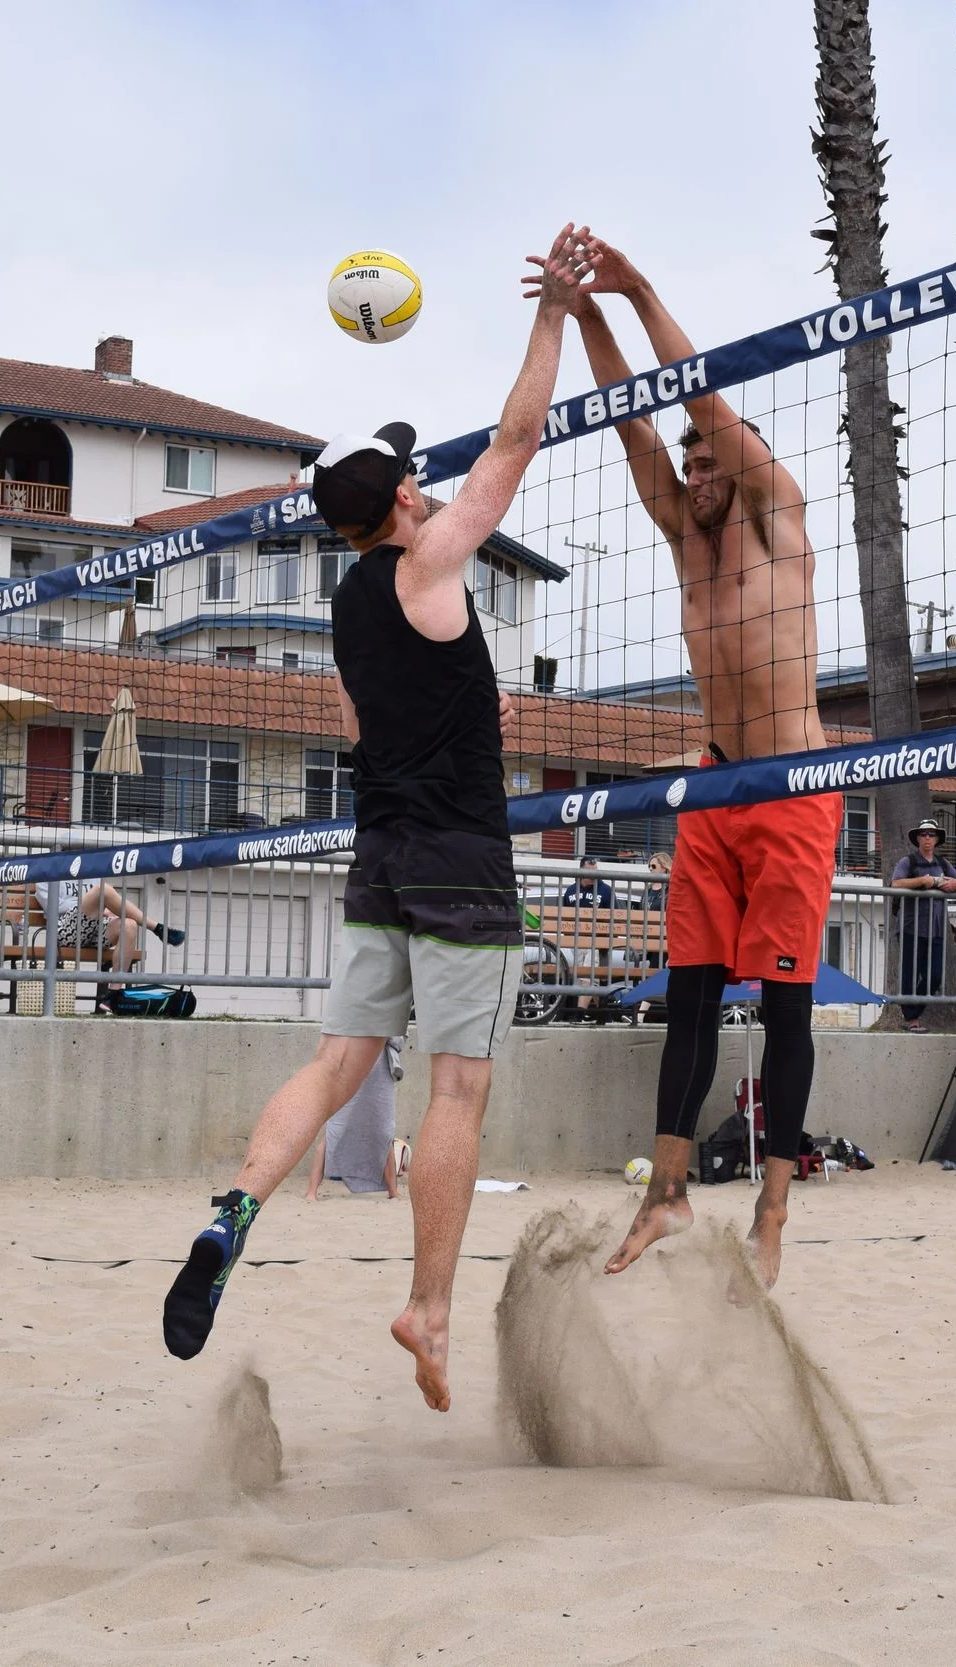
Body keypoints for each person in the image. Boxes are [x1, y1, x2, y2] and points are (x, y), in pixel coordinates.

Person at [159, 225, 589, 1413]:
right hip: (460, 857)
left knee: (336, 1062)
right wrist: (550, 310)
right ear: (402, 496)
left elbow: (361, 728)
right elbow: (516, 441)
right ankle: (429, 1303)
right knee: (456, 1093)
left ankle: (233, 1208)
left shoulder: (348, 602)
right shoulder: (430, 562)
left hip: (379, 856)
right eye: (409, 471)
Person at [572, 235, 839, 1290]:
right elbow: (630, 422)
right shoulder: (687, 534)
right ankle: (667, 1191)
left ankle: (773, 1204)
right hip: (715, 787)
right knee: (686, 997)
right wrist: (580, 314)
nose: (693, 470)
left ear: (742, 460)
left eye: (708, 455)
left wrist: (637, 290)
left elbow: (695, 399)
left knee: (782, 1011)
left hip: (790, 792)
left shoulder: (779, 520)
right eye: (687, 465)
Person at [50, 876, 183, 1010]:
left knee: (129, 925)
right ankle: (157, 928)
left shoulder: (89, 871)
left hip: (96, 927)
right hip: (65, 931)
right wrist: (90, 904)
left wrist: (99, 906)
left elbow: (106, 901)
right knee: (102, 890)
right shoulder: (48, 873)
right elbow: (52, 906)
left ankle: (113, 993)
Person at [886, 819, 956, 1031]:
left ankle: (913, 1012)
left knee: (935, 976)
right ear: (917, 839)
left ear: (937, 839)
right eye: (924, 834)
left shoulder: (943, 863)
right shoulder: (908, 862)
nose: (927, 838)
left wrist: (955, 884)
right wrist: (922, 881)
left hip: (937, 928)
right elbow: (895, 883)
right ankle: (912, 1020)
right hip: (911, 927)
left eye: (931, 834)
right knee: (910, 975)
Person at [306, 1039, 406, 1201]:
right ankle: (311, 1191)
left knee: (382, 1133)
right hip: (351, 1064)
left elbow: (398, 1037)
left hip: (379, 1068)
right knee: (335, 1130)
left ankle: (393, 1191)